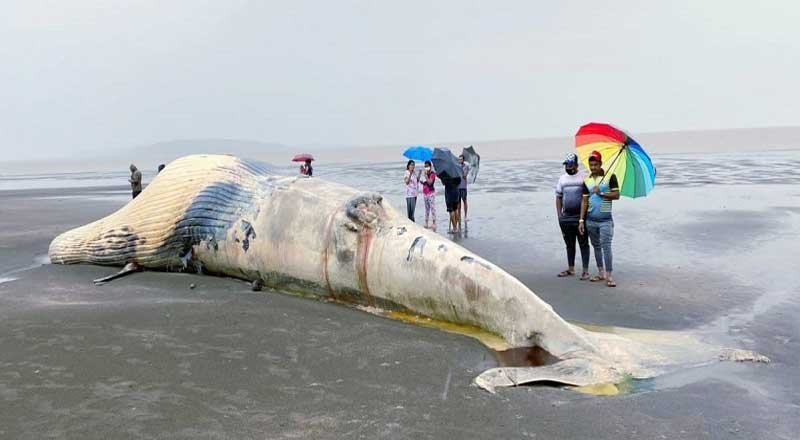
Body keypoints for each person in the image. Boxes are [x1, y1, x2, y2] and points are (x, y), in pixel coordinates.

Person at [578, 151, 620, 287]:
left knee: (606, 247)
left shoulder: (610, 177)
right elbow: (584, 201)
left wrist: (601, 193)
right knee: (596, 246)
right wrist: (581, 220)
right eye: (591, 165)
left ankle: (609, 275)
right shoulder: (587, 180)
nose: (593, 167)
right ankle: (600, 272)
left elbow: (617, 195)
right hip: (590, 220)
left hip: (605, 220)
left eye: (596, 164)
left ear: (600, 164)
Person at [555, 153, 590, 280]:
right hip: (566, 218)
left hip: (580, 218)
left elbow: (586, 198)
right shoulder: (562, 179)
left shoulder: (583, 178)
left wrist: (582, 218)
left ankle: (585, 271)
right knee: (569, 244)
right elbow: (558, 197)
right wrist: (559, 216)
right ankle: (571, 269)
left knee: (583, 243)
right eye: (566, 165)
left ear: (576, 165)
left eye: (570, 165)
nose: (568, 167)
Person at [421, 160, 437, 230]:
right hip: (425, 193)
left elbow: (430, 183)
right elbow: (424, 183)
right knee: (426, 209)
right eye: (425, 166)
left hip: (431, 193)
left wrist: (425, 176)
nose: (426, 167)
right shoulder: (425, 173)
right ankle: (426, 222)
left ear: (430, 166)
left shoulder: (432, 174)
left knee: (432, 208)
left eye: (427, 166)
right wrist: (422, 180)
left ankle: (434, 222)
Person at [458, 154, 470, 227]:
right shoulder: (457, 166)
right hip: (457, 187)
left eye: (461, 159)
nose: (460, 160)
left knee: (464, 201)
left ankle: (465, 216)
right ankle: (459, 216)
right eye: (459, 159)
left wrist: (461, 170)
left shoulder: (466, 166)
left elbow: (465, 176)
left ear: (463, 160)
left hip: (463, 187)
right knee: (458, 202)